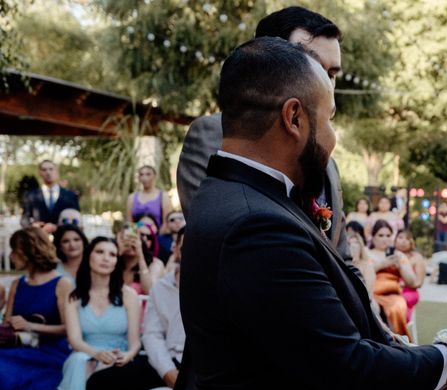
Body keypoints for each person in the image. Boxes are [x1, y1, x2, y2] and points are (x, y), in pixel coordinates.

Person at [180, 38, 447, 390]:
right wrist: (446, 363)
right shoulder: (254, 224)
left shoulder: (245, 200)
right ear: (294, 118)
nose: (332, 138)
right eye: (328, 118)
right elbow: (342, 364)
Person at [176, 6, 349, 261]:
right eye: (313, 64)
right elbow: (222, 236)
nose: (324, 82)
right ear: (270, 59)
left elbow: (342, 256)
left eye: (331, 73)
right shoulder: (213, 134)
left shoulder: (328, 162)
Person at [86, 228, 193, 390]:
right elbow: (153, 334)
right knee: (100, 383)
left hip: (200, 365)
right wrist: (167, 371)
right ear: (176, 250)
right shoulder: (161, 287)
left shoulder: (216, 283)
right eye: (186, 245)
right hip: (164, 361)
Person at [54, 237, 141, 390]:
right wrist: (95, 353)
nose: (106, 258)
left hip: (117, 356)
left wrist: (128, 355)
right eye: (100, 252)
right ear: (89, 256)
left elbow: (135, 341)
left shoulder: (128, 295)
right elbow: (75, 340)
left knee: (85, 370)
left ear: (117, 262)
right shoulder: (74, 296)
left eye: (112, 254)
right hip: (87, 352)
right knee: (77, 363)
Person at [0, 229, 72, 390]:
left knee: (7, 375)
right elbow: (8, 326)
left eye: (15, 250)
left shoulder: (61, 283)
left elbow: (69, 328)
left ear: (29, 251)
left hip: (51, 355)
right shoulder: (17, 284)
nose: (11, 256)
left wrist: (32, 325)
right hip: (19, 350)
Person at [368, 219, 416, 340]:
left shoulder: (399, 255)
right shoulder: (366, 253)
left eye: (388, 235)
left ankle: (397, 342)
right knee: (370, 305)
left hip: (393, 294)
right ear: (373, 237)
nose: (385, 238)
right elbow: (360, 274)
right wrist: (382, 264)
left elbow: (411, 281)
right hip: (371, 293)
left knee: (396, 306)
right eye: (381, 235)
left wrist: (400, 266)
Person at [20, 160, 80, 232]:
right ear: (40, 173)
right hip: (39, 239)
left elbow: (76, 220)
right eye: (44, 170)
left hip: (62, 239)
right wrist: (32, 226)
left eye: (51, 169)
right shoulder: (30, 196)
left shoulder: (71, 196)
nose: (48, 172)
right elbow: (24, 219)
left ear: (57, 172)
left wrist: (57, 227)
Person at [118, 220, 165, 295]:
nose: (132, 241)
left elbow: (150, 291)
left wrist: (140, 255)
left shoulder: (155, 264)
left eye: (138, 237)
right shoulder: (114, 260)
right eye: (128, 236)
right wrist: (118, 251)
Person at [126, 165, 172, 231]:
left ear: (155, 176)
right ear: (139, 178)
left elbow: (166, 222)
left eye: (148, 174)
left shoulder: (163, 196)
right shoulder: (132, 197)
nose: (144, 177)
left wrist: (156, 239)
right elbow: (129, 222)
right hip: (138, 237)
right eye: (141, 174)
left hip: (158, 236)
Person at [395, 229, 426, 321]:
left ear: (411, 242)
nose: (404, 241)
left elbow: (419, 283)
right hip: (391, 290)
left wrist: (403, 284)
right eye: (400, 237)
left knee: (395, 304)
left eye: (407, 238)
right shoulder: (389, 255)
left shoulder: (417, 258)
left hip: (408, 292)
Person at [347, 231, 376, 296]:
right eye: (349, 243)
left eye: (356, 243)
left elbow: (368, 291)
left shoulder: (367, 265)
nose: (353, 246)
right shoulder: (343, 265)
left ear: (361, 246)